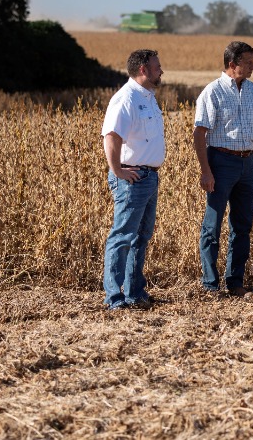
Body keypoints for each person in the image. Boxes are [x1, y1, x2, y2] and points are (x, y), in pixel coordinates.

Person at [194, 41, 253, 297]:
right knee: (212, 226)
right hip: (220, 162)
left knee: (242, 225)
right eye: (248, 62)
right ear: (232, 64)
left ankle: (235, 283)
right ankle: (210, 284)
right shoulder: (212, 92)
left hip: (247, 164)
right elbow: (199, 133)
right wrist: (206, 171)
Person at [102, 49, 166, 311]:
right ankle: (114, 299)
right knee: (122, 237)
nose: (161, 70)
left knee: (141, 237)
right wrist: (117, 171)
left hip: (148, 177)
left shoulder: (148, 97)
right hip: (133, 177)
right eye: (157, 66)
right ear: (143, 70)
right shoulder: (125, 98)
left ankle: (134, 293)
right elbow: (112, 136)